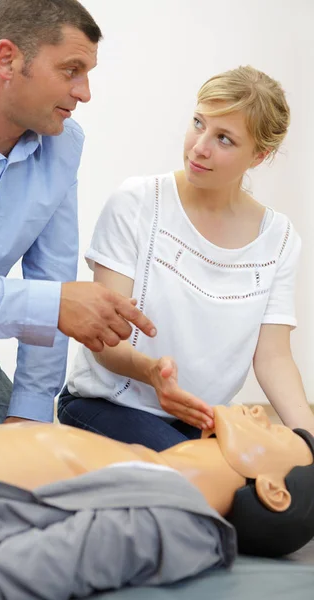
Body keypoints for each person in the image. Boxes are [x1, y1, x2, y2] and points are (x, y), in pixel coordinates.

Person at [0, 0, 156, 431]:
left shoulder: (62, 145)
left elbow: (52, 278)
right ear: (7, 59)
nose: (84, 92)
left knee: (22, 479)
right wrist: (55, 305)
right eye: (71, 69)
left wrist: (29, 417)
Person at [58, 65, 314, 450]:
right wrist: (152, 373)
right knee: (204, 485)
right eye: (199, 123)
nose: (199, 146)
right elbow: (106, 341)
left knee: (274, 494)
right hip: (107, 405)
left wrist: (308, 440)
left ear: (259, 155)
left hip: (200, 422)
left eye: (224, 139)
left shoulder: (278, 239)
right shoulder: (138, 203)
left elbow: (274, 358)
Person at [0, 403, 312, 559]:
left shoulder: (154, 519)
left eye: (276, 433)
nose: (261, 414)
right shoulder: (141, 465)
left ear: (273, 491)